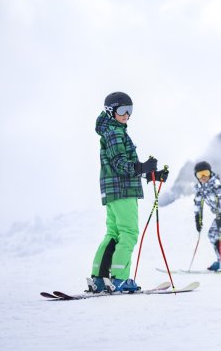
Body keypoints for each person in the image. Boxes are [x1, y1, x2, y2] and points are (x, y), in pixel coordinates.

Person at [89, 92, 168, 293]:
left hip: (114, 190)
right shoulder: (115, 133)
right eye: (122, 110)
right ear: (110, 111)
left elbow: (122, 166)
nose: (126, 115)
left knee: (114, 233)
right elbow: (120, 164)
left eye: (130, 111)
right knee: (129, 233)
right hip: (123, 191)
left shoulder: (111, 131)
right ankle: (119, 279)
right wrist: (142, 167)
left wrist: (152, 175)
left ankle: (99, 279)